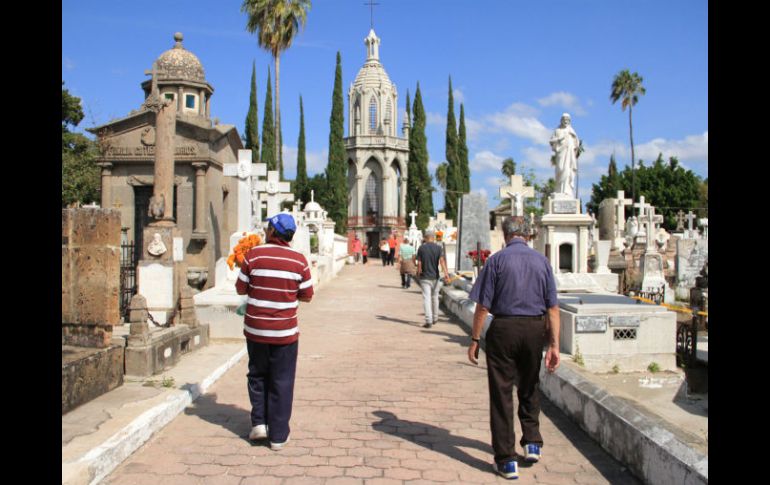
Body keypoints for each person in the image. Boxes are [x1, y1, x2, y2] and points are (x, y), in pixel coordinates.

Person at [466, 216, 560, 480]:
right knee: (530, 384)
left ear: (506, 235)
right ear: (526, 235)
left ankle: (507, 460)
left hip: (504, 329)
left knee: (502, 392)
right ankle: (532, 442)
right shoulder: (542, 262)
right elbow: (553, 307)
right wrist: (554, 345)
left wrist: (474, 339)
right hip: (534, 329)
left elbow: (483, 306)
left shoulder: (496, 261)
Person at [235, 213, 314, 451]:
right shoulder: (299, 261)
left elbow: (241, 288)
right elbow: (307, 295)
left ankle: (259, 423)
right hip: (284, 333)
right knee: (282, 380)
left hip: (256, 330)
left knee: (257, 374)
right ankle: (278, 435)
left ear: (272, 232)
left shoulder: (253, 255)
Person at [416, 229, 450, 328]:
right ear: (433, 237)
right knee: (435, 297)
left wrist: (418, 272)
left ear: (426, 238)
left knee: (427, 298)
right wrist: (446, 274)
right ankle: (435, 318)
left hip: (425, 276)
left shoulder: (422, 248)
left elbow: (420, 263)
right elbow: (442, 261)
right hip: (436, 277)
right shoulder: (438, 248)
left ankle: (428, 320)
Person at [549, 113, 580, 198]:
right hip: (560, 153)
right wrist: (559, 139)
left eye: (567, 120)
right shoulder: (557, 130)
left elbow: (577, 143)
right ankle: (559, 190)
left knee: (567, 169)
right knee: (560, 169)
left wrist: (574, 140)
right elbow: (551, 141)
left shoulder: (571, 130)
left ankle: (567, 191)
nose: (566, 121)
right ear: (561, 120)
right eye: (564, 120)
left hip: (569, 154)